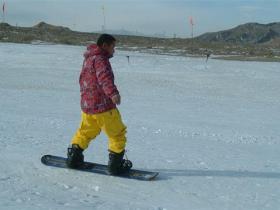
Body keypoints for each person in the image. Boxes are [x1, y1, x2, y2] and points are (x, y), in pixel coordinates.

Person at [66, 34, 132, 175]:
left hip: (88, 106)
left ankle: (74, 158)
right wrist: (113, 94)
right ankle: (115, 165)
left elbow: (83, 80)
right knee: (117, 134)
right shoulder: (101, 59)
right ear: (104, 45)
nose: (114, 50)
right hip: (103, 107)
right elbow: (104, 78)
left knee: (85, 132)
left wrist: (87, 99)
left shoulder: (88, 58)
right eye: (113, 46)